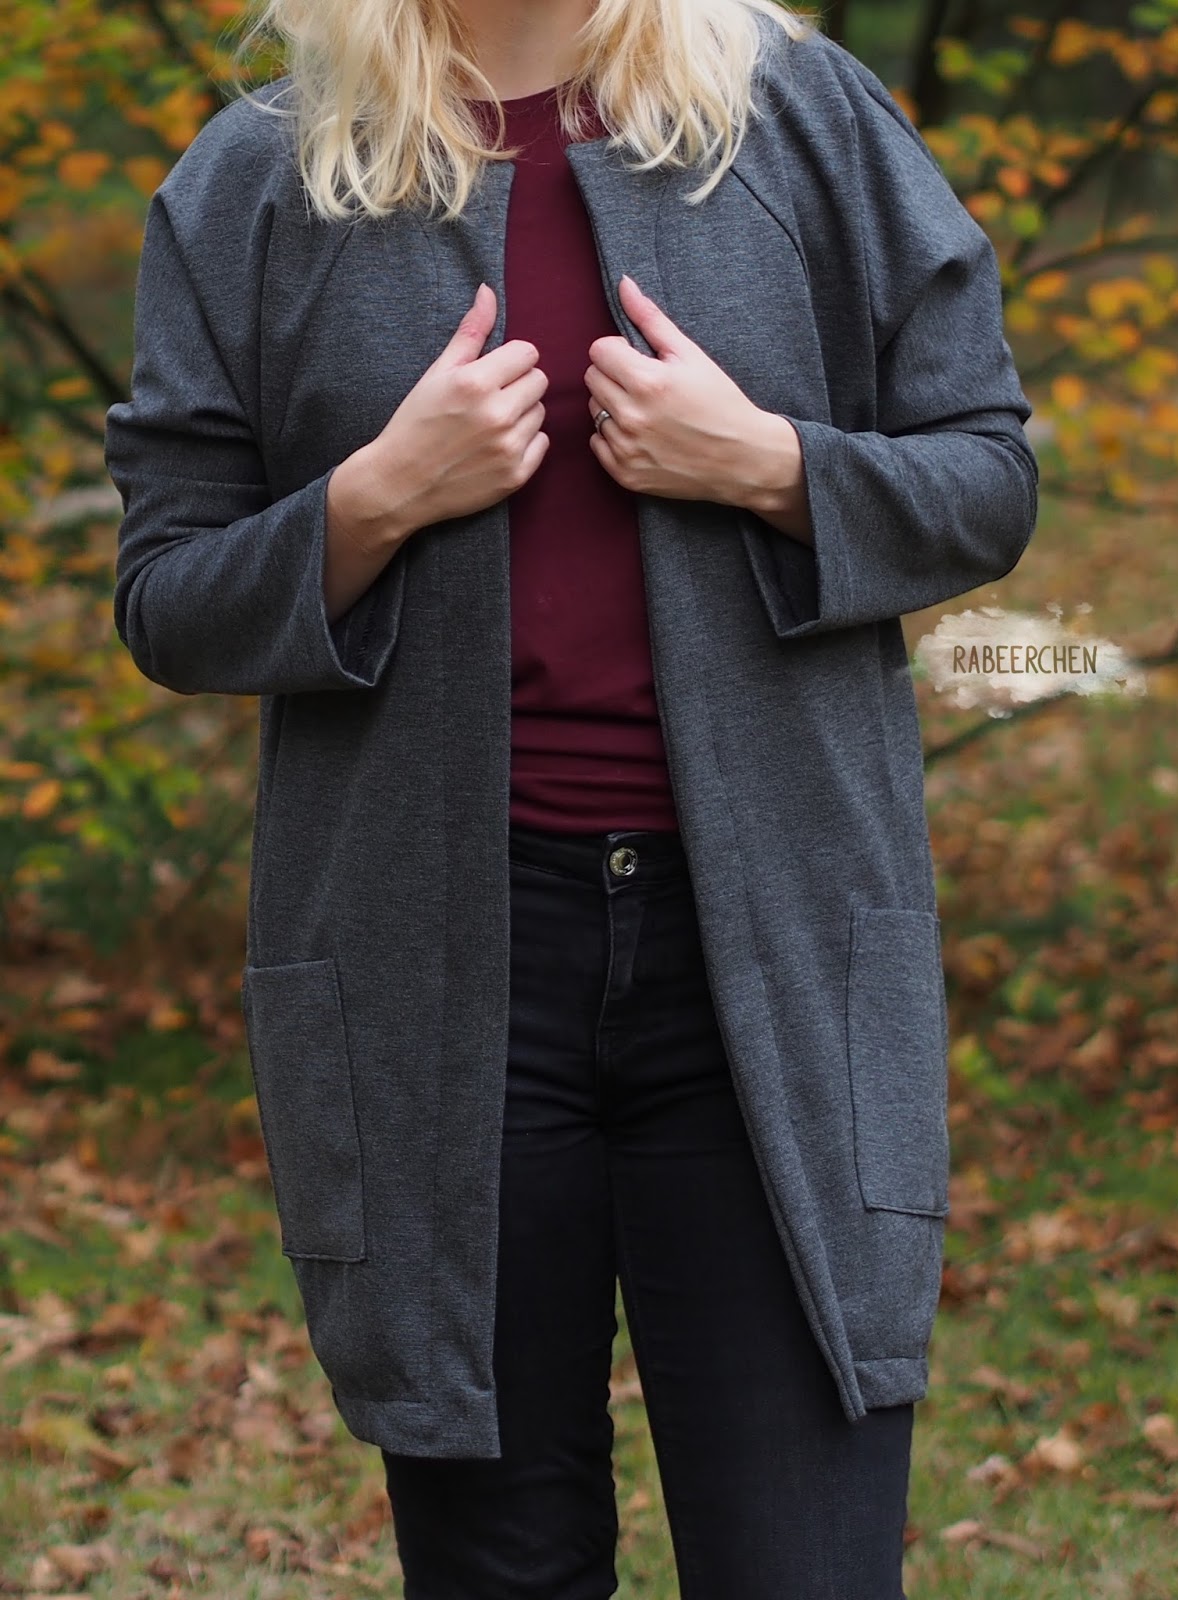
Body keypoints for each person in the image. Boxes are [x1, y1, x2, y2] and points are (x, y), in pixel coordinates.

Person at [103, 0, 1038, 1593]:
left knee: (801, 1563)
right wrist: (373, 500)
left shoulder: (798, 117)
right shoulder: (265, 173)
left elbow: (988, 479)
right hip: (432, 973)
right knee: (501, 1569)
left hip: (770, 954)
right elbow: (168, 599)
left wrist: (768, 464)